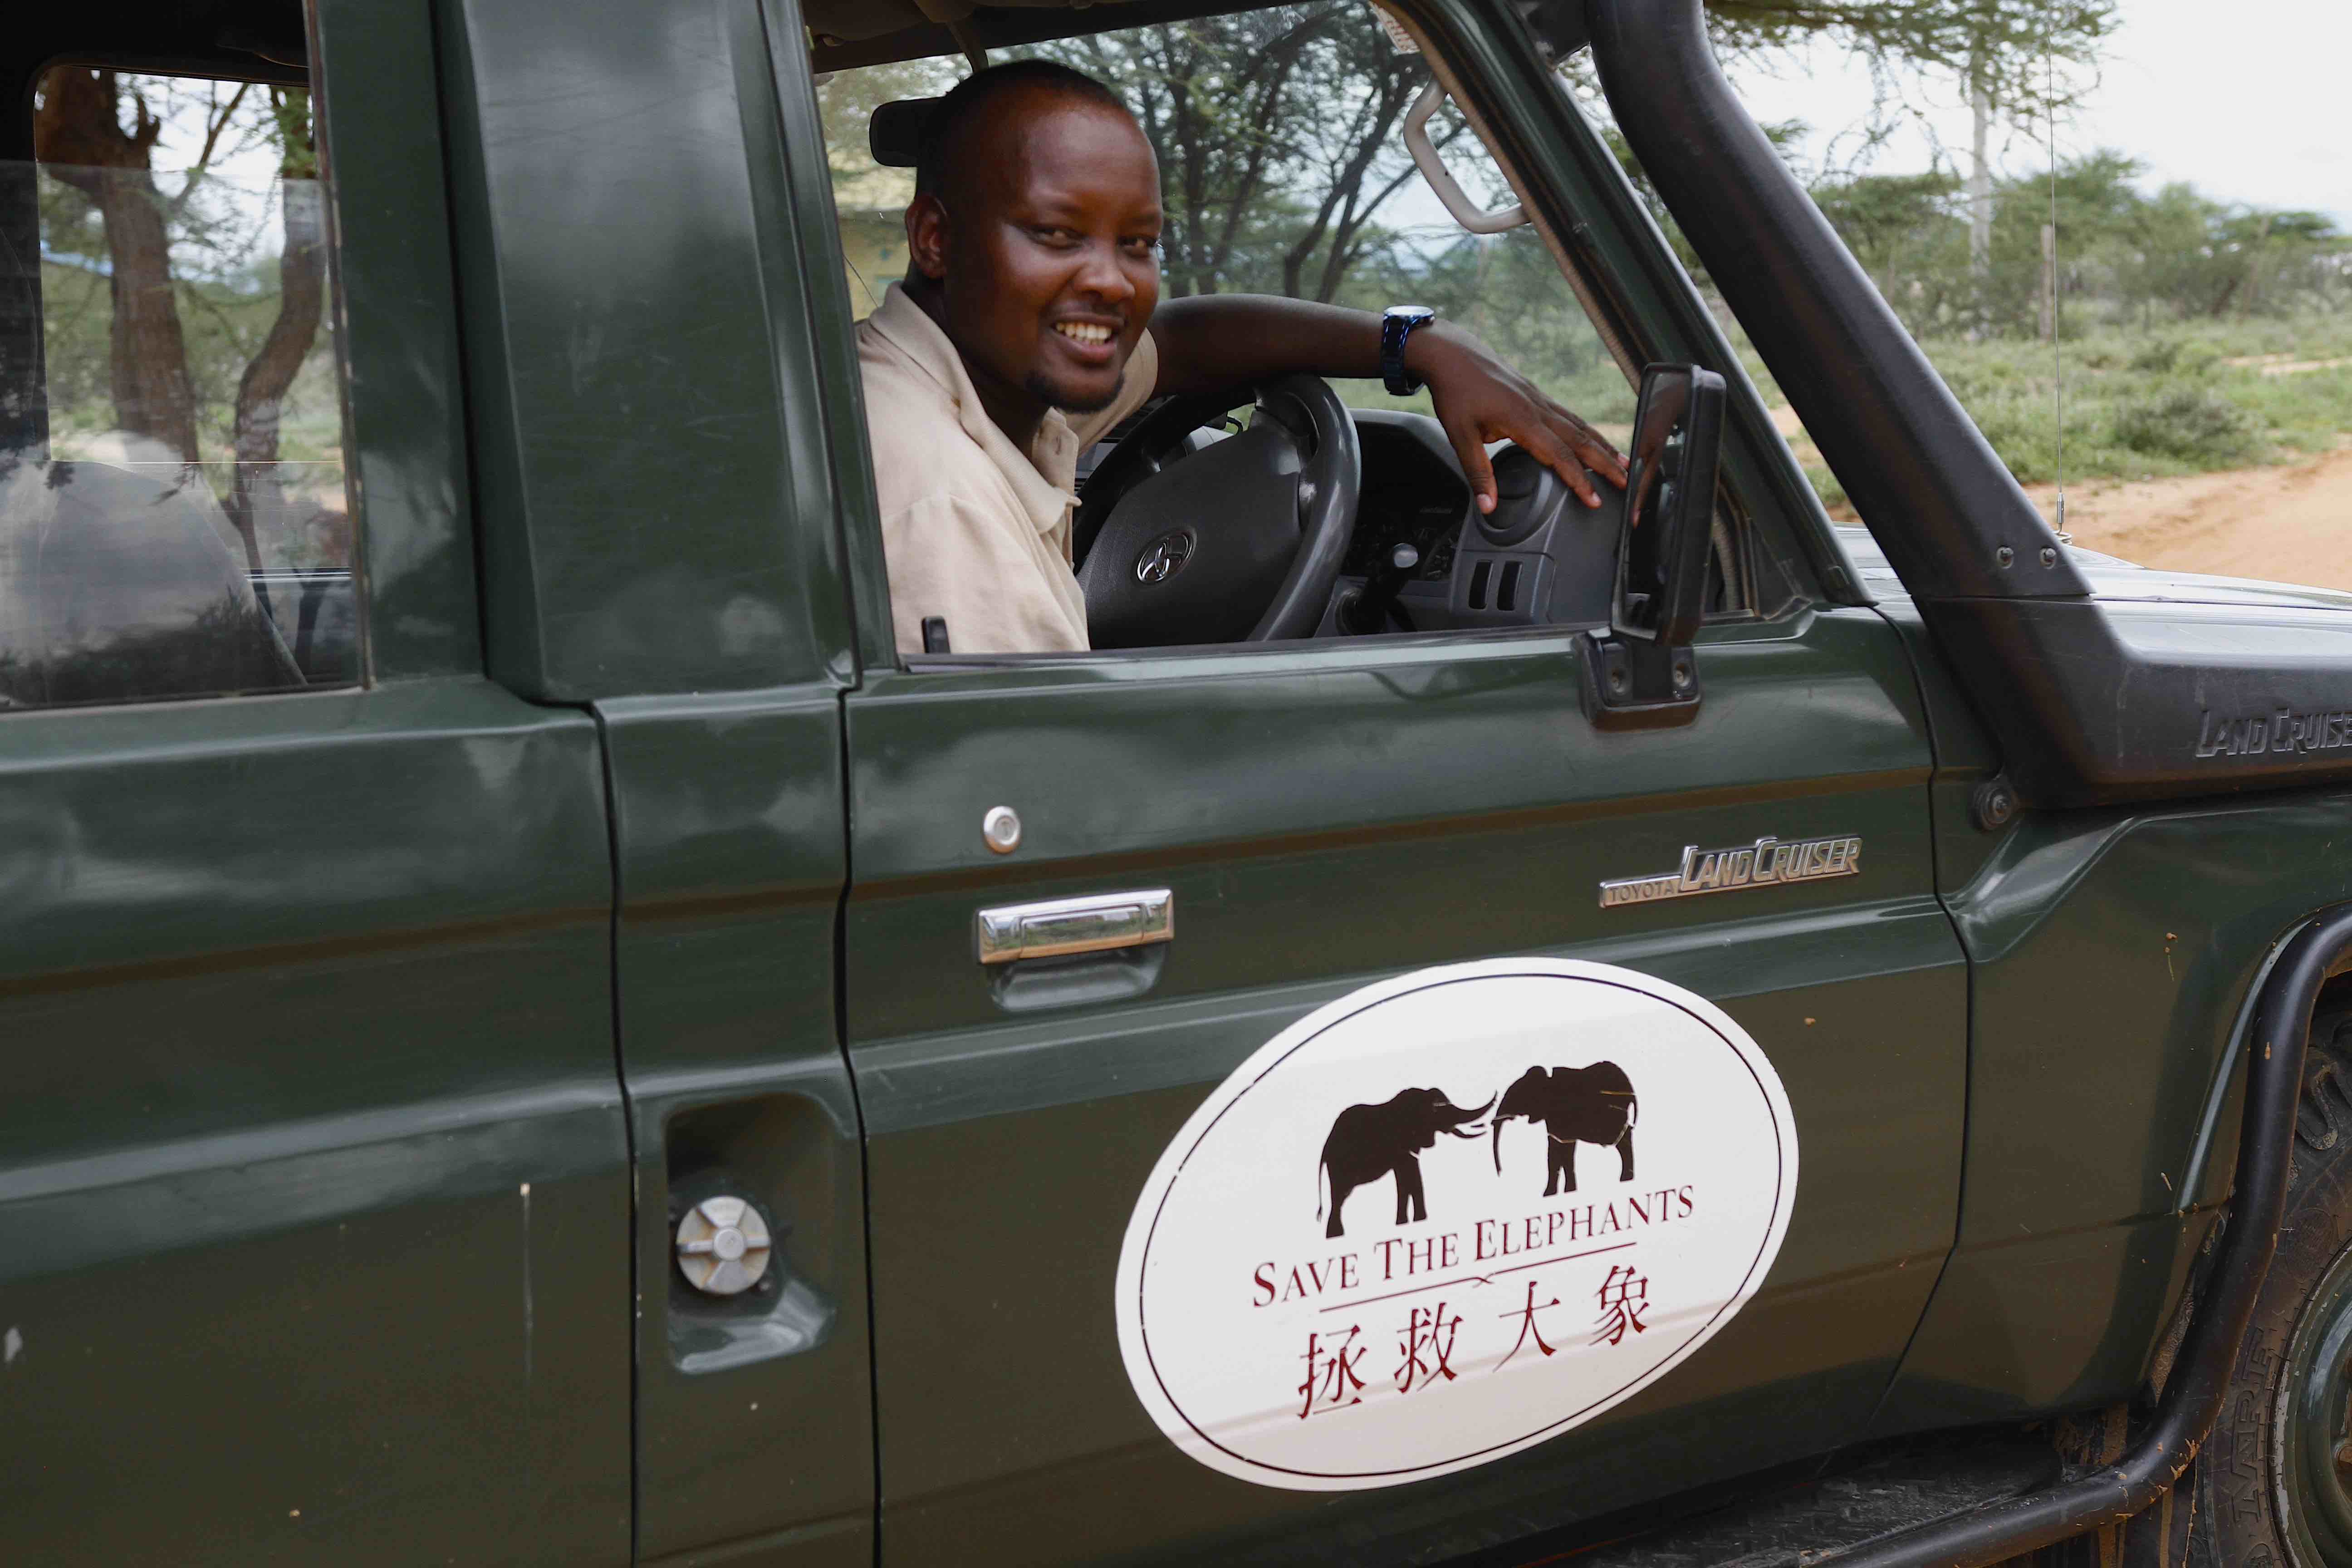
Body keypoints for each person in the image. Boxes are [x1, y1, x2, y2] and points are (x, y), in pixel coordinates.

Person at [858, 59, 1627, 656]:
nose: (1111, 281)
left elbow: (1184, 342)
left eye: (1138, 244)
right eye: (1056, 235)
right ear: (935, 238)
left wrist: (1419, 344)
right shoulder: (941, 505)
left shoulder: (953, 386)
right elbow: (1024, 819)